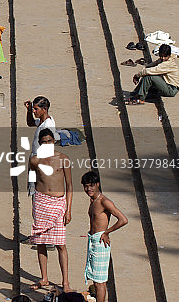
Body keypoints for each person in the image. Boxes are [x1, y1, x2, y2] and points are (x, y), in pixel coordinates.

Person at [28, 129, 72, 292]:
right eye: (43, 142)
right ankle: (44, 278)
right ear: (39, 143)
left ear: (54, 141)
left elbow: (70, 186)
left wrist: (68, 209)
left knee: (60, 244)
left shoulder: (63, 159)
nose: (47, 144)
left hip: (59, 203)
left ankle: (65, 282)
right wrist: (34, 202)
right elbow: (33, 180)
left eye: (49, 141)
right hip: (41, 201)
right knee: (40, 242)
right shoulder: (34, 160)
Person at [81, 171, 128, 302]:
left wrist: (106, 232)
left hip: (100, 241)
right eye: (86, 186)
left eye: (91, 186)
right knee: (95, 281)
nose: (88, 189)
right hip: (93, 240)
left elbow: (123, 220)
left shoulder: (104, 201)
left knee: (100, 282)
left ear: (97, 184)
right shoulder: (93, 200)